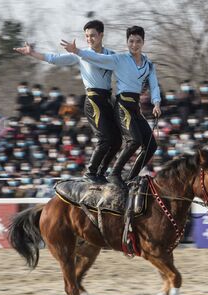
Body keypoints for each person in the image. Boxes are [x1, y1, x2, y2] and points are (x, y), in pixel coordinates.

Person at [14, 20, 121, 184]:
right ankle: (90, 173)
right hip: (93, 100)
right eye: (86, 36)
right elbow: (54, 58)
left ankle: (102, 172)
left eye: (93, 35)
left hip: (108, 99)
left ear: (101, 35)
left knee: (117, 139)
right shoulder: (79, 54)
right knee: (105, 138)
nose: (89, 39)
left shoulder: (112, 55)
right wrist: (32, 53)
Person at [61, 25, 161, 187]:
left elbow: (154, 85)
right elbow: (97, 58)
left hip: (135, 107)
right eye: (131, 41)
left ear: (143, 42)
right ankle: (114, 174)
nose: (134, 45)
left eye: (138, 41)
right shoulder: (119, 59)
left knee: (151, 145)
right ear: (127, 42)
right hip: (122, 106)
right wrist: (77, 51)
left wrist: (156, 103)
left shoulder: (149, 64)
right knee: (134, 141)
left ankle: (130, 177)